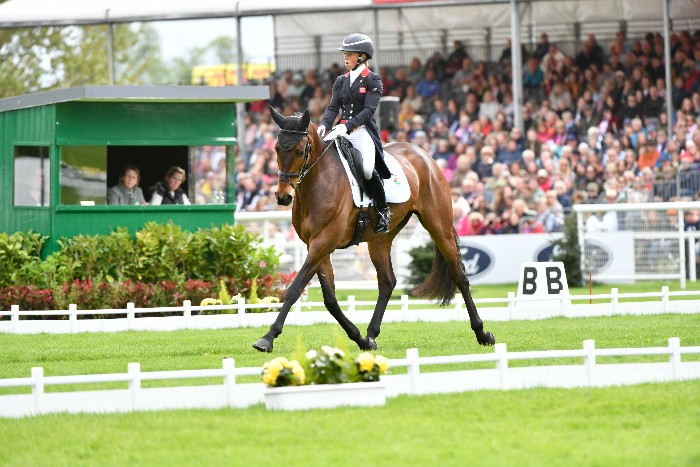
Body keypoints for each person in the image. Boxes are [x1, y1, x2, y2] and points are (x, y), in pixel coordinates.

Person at [317, 33, 391, 233]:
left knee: (367, 169)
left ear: (362, 57)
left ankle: (383, 210)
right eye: (345, 54)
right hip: (339, 130)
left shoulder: (373, 79)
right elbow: (333, 107)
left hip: (362, 131)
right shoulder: (341, 80)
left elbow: (369, 111)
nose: (345, 57)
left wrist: (347, 126)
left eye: (349, 54)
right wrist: (324, 124)